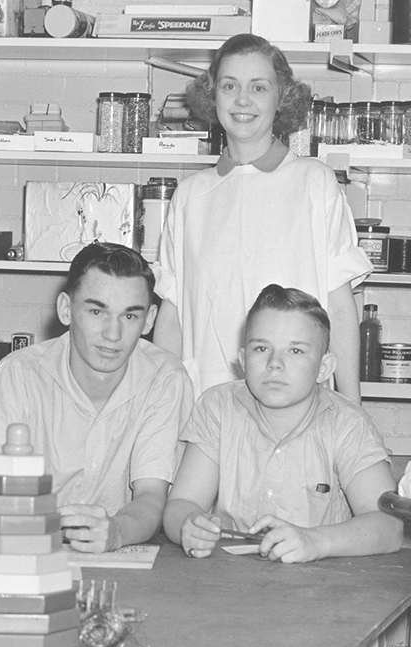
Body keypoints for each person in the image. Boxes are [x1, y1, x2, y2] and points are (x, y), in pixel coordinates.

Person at [153, 33, 371, 404]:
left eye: (258, 87)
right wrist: (163, 408)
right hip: (209, 402)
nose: (242, 100)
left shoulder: (314, 182)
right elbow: (172, 318)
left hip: (298, 405)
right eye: (229, 86)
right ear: (212, 95)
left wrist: (352, 407)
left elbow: (339, 307)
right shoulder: (189, 195)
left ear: (281, 97)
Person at [0, 243, 193, 554]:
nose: (112, 334)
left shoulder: (165, 378)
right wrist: (22, 524)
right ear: (66, 309)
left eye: (130, 316)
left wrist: (116, 532)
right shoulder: (20, 373)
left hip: (119, 555)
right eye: (97, 311)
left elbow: (152, 497)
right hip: (24, 551)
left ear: (149, 320)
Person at [162, 284, 403, 562]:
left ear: (324, 368)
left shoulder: (348, 424)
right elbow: (181, 503)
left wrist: (315, 542)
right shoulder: (217, 408)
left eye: (296, 351)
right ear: (243, 360)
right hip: (227, 576)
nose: (274, 363)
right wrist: (188, 526)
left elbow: (390, 527)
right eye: (261, 348)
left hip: (322, 579)